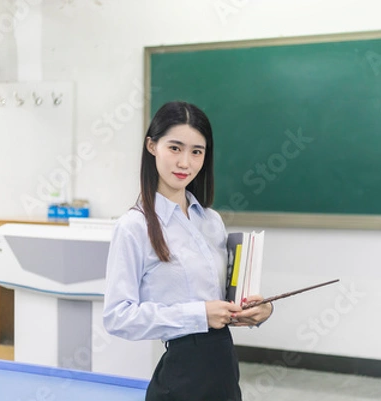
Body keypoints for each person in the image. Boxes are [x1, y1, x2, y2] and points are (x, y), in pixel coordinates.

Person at [103, 101, 273, 401]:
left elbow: (223, 300)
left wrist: (257, 310)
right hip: (181, 377)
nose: (185, 163)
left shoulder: (210, 221)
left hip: (223, 368)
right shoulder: (134, 226)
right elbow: (118, 317)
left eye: (197, 151)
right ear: (152, 146)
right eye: (175, 148)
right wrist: (199, 314)